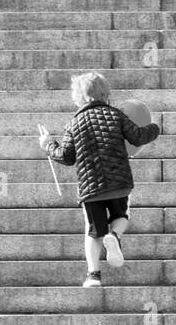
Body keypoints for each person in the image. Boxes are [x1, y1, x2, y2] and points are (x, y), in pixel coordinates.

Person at [39, 71, 160, 288]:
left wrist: (48, 144)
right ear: (106, 94)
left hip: (91, 187)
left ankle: (93, 275)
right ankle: (114, 235)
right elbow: (138, 136)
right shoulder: (117, 115)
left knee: (93, 231)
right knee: (121, 215)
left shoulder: (73, 123)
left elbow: (67, 157)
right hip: (120, 184)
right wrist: (155, 127)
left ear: (81, 97)